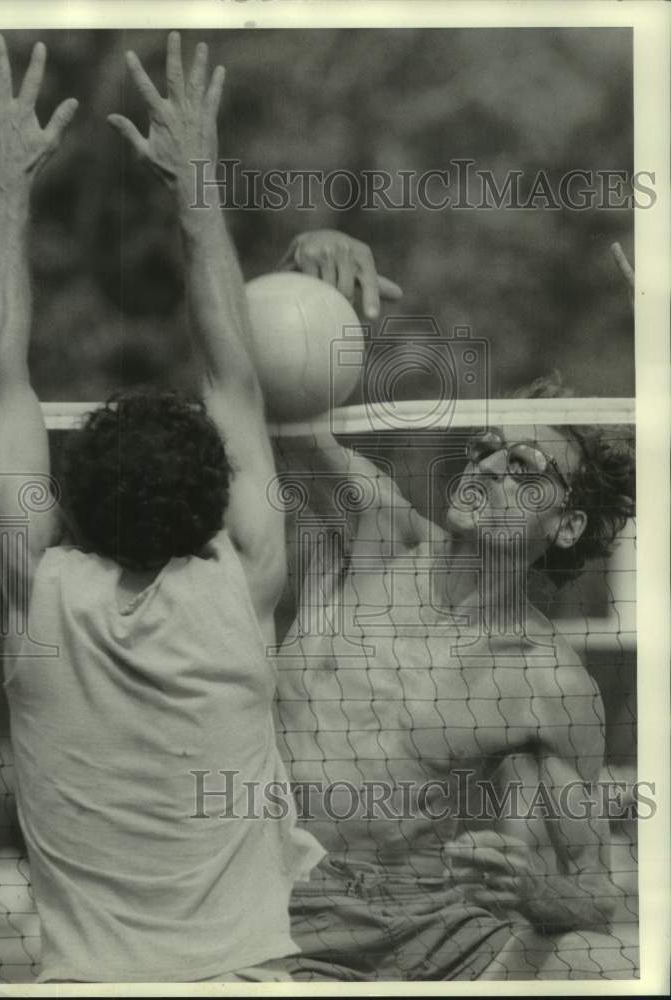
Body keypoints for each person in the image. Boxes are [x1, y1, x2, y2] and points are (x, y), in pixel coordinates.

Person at [0, 32, 323, 983]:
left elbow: (3, 381)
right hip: (249, 977)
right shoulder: (243, 588)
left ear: (67, 498)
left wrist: (3, 189)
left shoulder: (37, 590)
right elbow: (234, 380)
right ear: (213, 511)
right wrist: (196, 187)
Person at [273, 231, 637, 980]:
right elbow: (284, 419)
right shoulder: (375, 530)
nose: (492, 463)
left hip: (442, 947)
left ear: (565, 525)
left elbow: (597, 891)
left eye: (525, 464)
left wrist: (542, 895)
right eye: (487, 446)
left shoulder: (552, 684)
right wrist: (302, 291)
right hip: (280, 928)